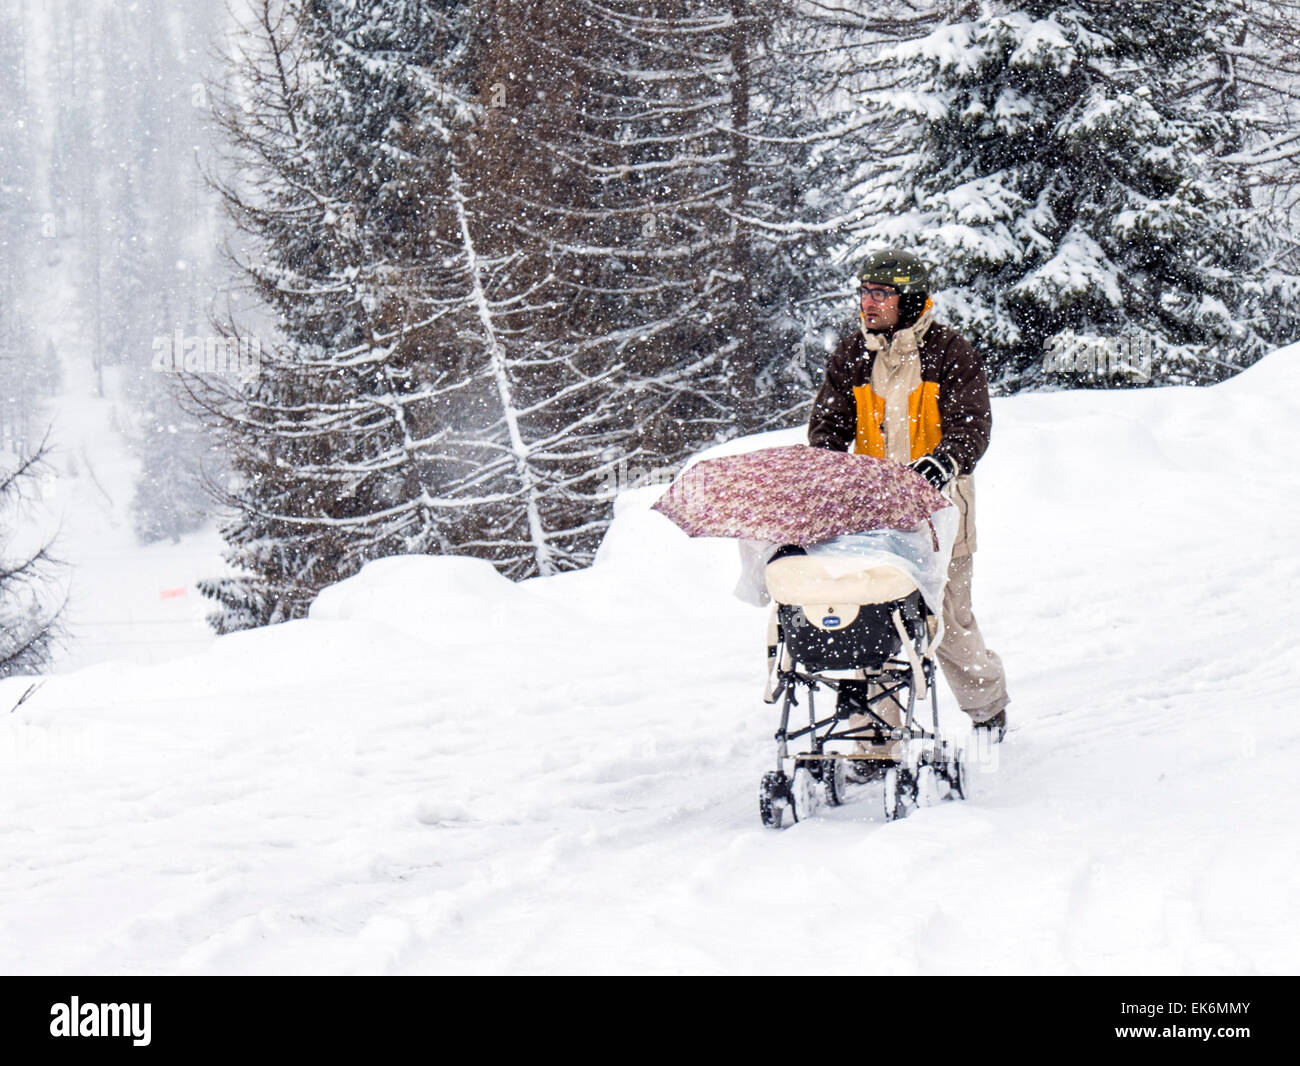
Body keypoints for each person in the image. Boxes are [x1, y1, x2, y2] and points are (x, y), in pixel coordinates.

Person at [807, 248, 1009, 742]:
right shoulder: (853, 355)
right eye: (864, 293)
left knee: (949, 627)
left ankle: (987, 709)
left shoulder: (949, 352)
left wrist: (946, 460)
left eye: (881, 294)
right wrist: (827, 469)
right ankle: (874, 733)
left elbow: (972, 424)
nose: (868, 303)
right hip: (875, 520)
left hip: (941, 518)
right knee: (872, 623)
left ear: (909, 298)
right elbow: (828, 427)